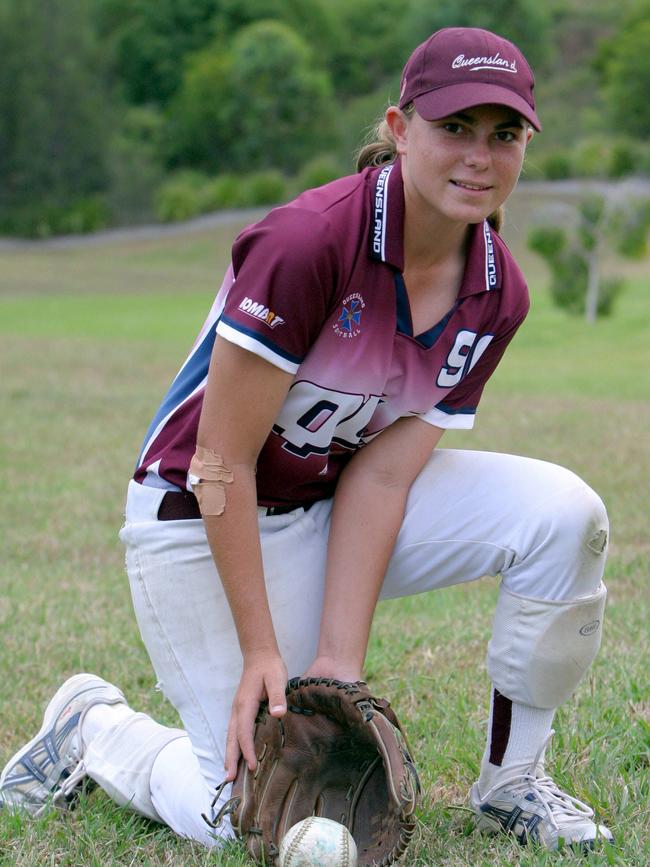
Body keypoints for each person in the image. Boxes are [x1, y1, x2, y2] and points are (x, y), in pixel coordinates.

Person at [1, 26, 613, 851]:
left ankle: (514, 782)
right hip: (197, 511)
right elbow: (219, 459)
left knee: (564, 514)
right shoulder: (310, 240)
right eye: (454, 128)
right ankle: (96, 727)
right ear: (399, 130)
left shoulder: (498, 292)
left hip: (326, 500)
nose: (479, 155)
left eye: (503, 134)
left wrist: (336, 662)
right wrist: (263, 648)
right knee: (245, 811)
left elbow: (384, 478)